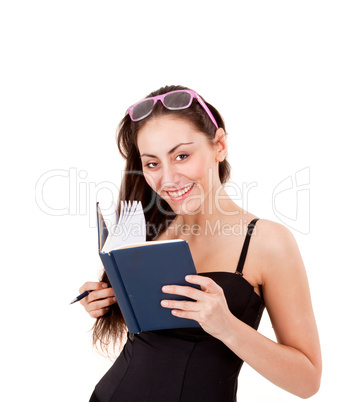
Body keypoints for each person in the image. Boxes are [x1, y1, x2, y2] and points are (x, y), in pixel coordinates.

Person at [79, 85, 322, 401]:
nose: (167, 179)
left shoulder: (266, 242)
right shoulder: (148, 232)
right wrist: (106, 302)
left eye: (182, 155)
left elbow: (308, 381)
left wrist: (227, 327)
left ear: (219, 145)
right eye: (152, 163)